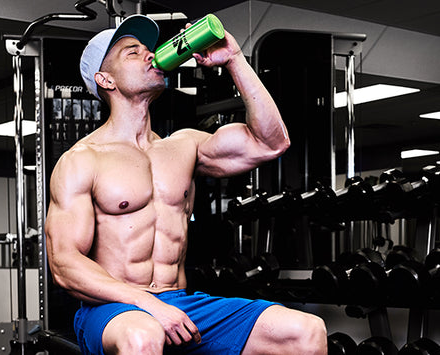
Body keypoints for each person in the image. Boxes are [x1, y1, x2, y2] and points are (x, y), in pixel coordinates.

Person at [46, 14, 327, 355]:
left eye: (148, 49)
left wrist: (234, 59)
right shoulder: (82, 160)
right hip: (112, 308)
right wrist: (147, 304)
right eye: (132, 52)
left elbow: (271, 143)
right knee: (143, 335)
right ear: (105, 79)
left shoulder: (184, 146)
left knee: (306, 330)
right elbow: (64, 264)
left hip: (180, 301)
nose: (150, 55)